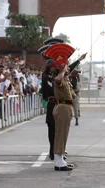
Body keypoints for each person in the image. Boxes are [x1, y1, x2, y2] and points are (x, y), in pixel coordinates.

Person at [43, 43, 76, 171]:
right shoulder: (58, 78)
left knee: (64, 133)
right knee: (60, 134)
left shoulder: (66, 79)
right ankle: (58, 160)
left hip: (66, 107)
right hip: (62, 107)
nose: (67, 69)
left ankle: (60, 158)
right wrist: (62, 69)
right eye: (65, 67)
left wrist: (66, 69)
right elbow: (57, 80)